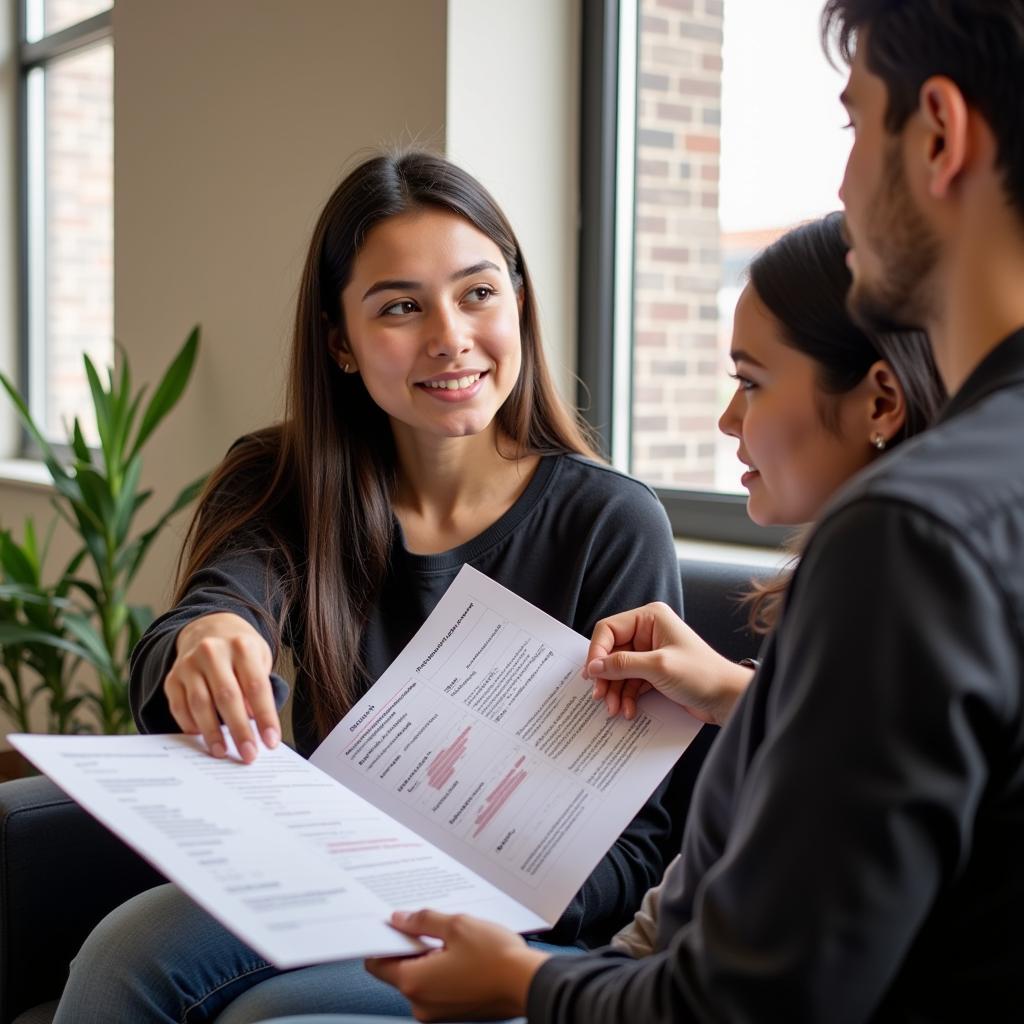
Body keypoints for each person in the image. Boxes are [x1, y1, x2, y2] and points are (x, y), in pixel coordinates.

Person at [306, 2, 1024, 1020]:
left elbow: (751, 999)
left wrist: (523, 980)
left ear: (939, 136)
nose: (841, 183)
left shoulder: (906, 534)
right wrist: (741, 691)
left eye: (854, 124)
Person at [51, 152, 690, 1023]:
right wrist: (205, 642)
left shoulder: (610, 524)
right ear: (341, 343)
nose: (449, 337)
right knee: (128, 952)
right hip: (320, 879)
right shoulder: (283, 478)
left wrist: (478, 883)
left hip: (509, 936)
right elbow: (212, 609)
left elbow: (642, 842)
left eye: (477, 293)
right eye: (400, 306)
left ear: (520, 301)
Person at [593, 211, 945, 729]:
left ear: (880, 403)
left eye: (752, 383)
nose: (727, 418)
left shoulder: (895, 596)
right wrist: (724, 689)